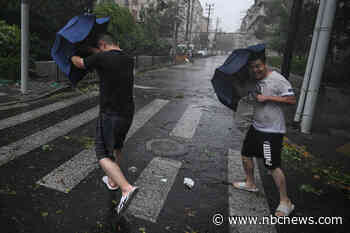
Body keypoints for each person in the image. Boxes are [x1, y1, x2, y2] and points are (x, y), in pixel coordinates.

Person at [70, 33, 138, 215]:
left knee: (102, 153)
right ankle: (113, 181)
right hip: (127, 112)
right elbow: (107, 57)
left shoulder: (101, 57)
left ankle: (126, 188)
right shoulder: (128, 58)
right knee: (116, 146)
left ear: (101, 46)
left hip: (110, 113)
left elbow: (81, 63)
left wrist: (72, 55)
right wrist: (96, 51)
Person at [232, 52, 296, 217]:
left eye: (258, 66)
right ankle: (250, 183)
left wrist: (267, 98)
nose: (256, 70)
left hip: (271, 132)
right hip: (256, 127)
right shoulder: (255, 81)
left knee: (271, 165)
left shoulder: (277, 79)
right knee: (246, 154)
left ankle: (285, 201)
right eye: (252, 67)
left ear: (264, 64)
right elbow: (253, 97)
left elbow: (290, 99)